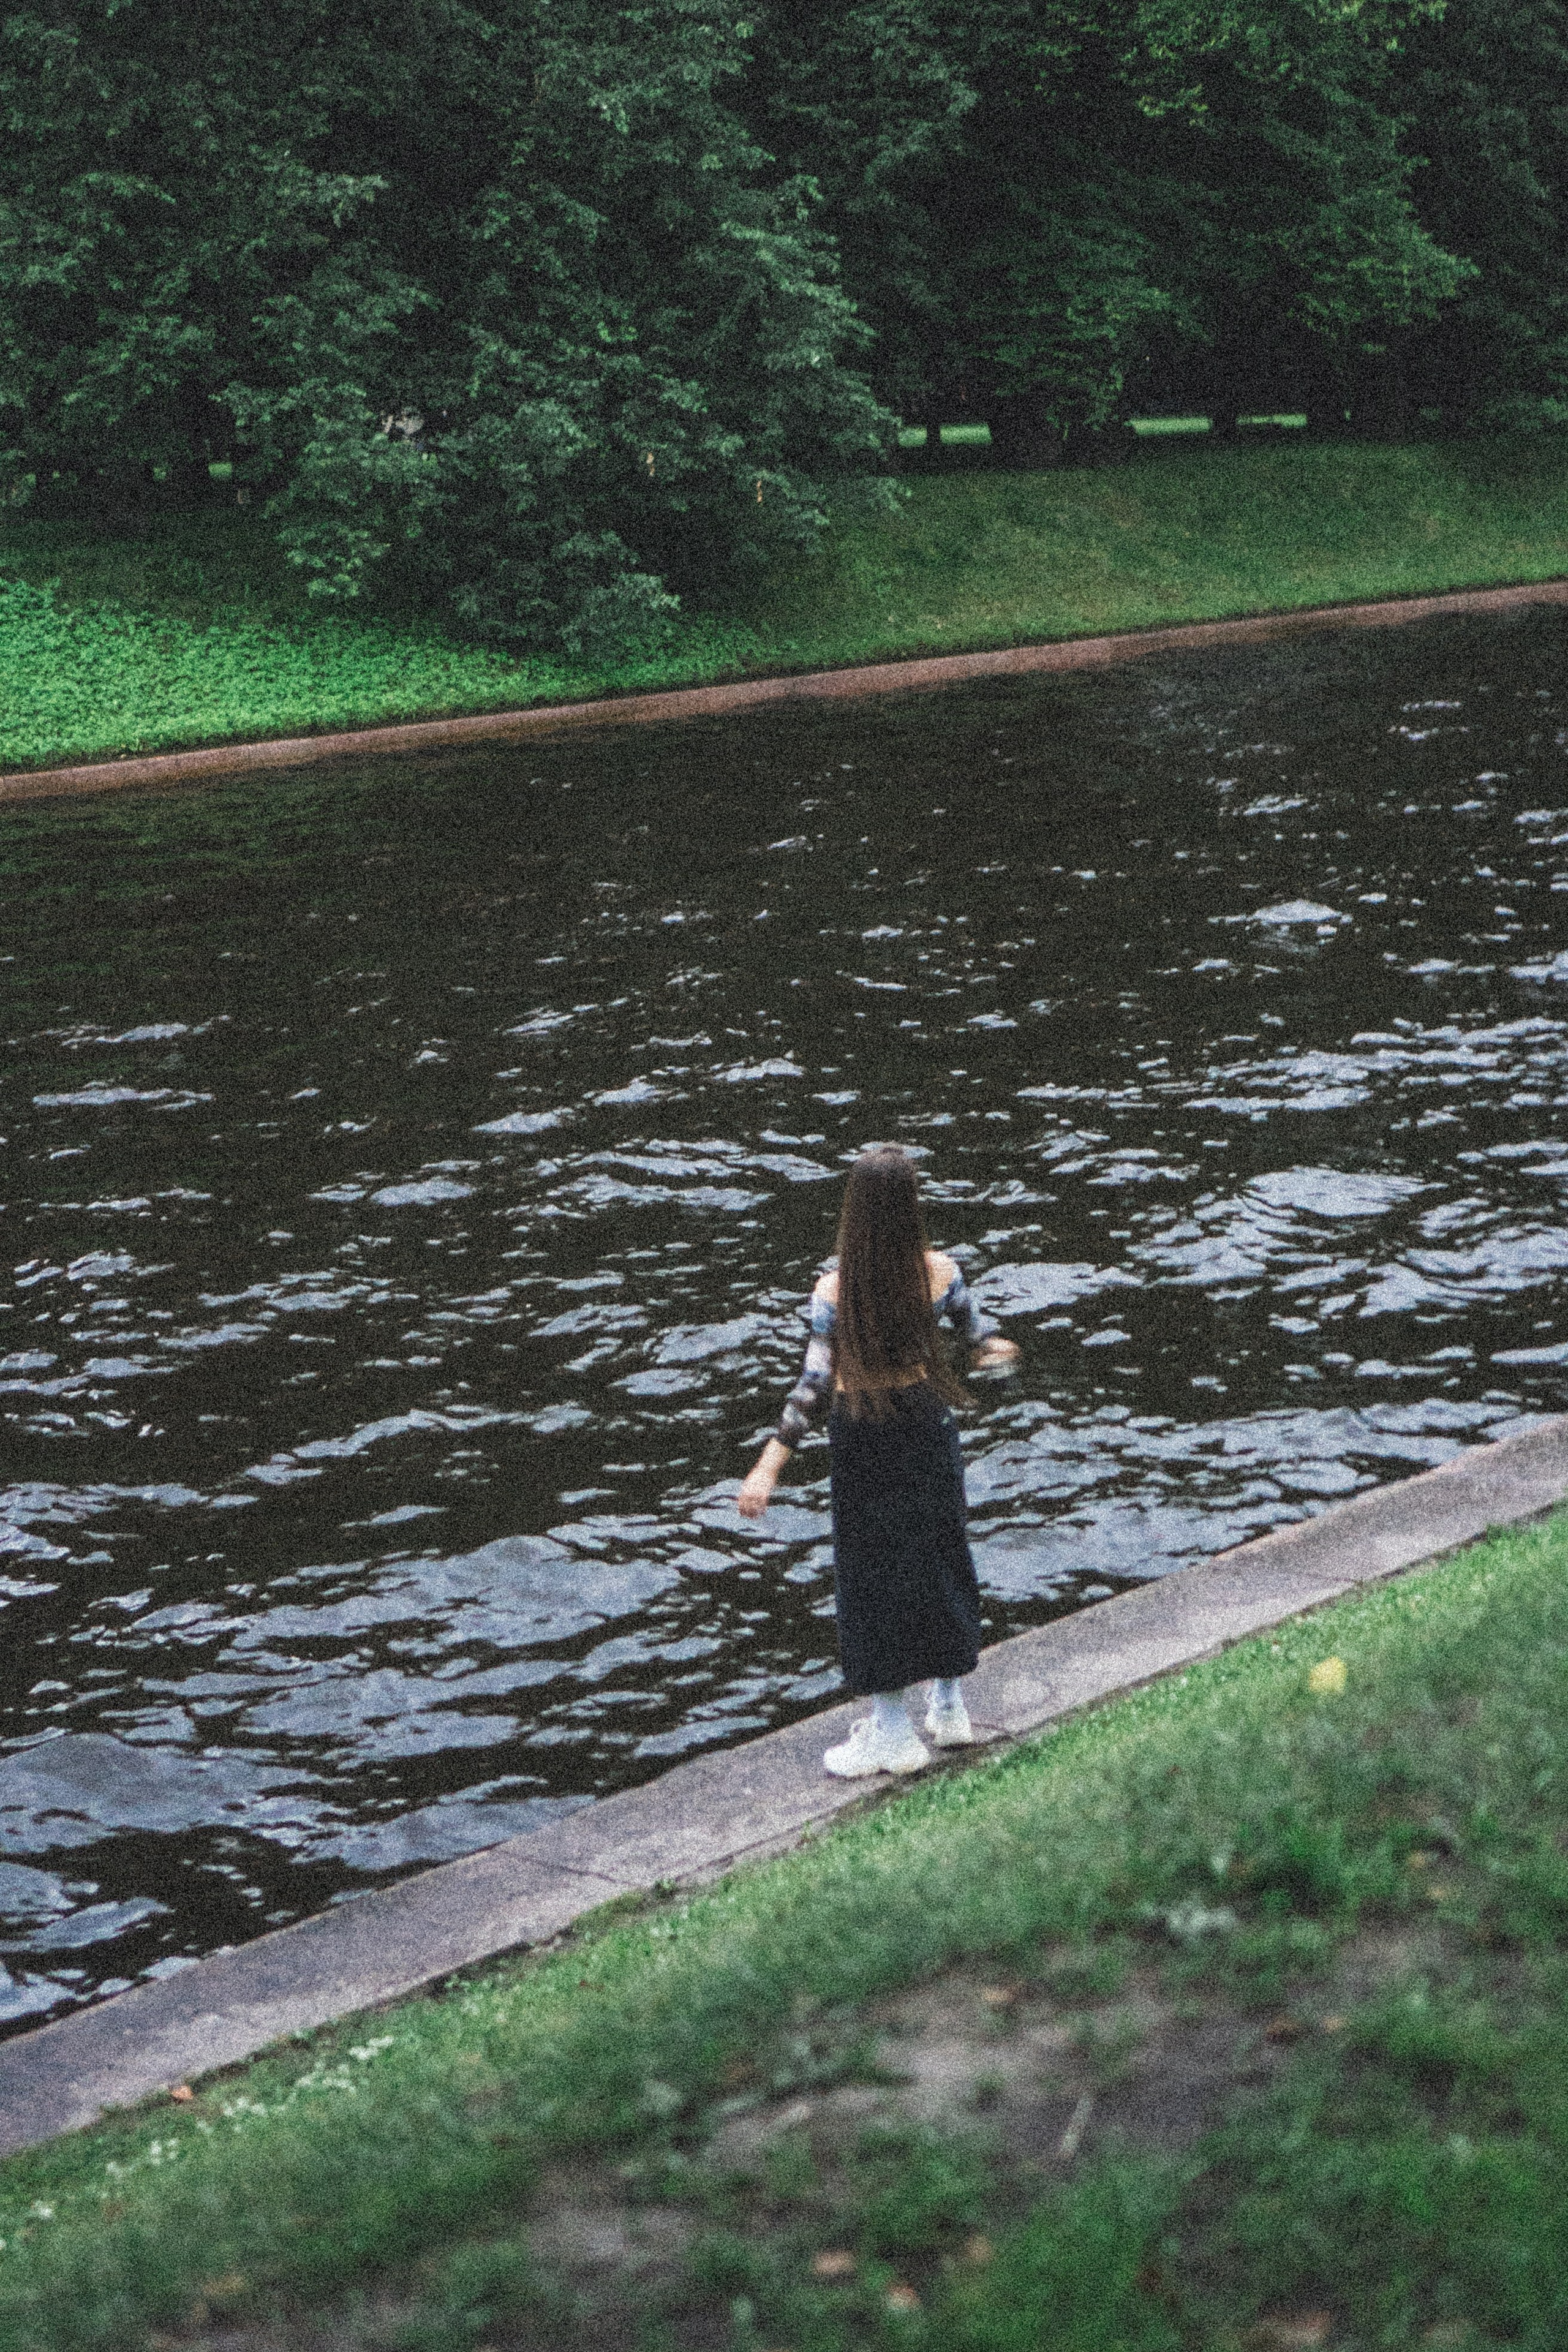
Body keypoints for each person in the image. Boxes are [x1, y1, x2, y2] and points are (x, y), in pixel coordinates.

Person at [737, 1144, 1019, 1776]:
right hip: (927, 1426)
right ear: (911, 1206)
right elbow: (980, 1337)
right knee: (941, 1554)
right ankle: (949, 1709)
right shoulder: (941, 1273)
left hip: (865, 1437)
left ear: (855, 1213)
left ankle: (892, 1731)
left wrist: (768, 1466)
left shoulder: (834, 1291)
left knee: (872, 1580)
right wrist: (996, 1351)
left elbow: (810, 1388)